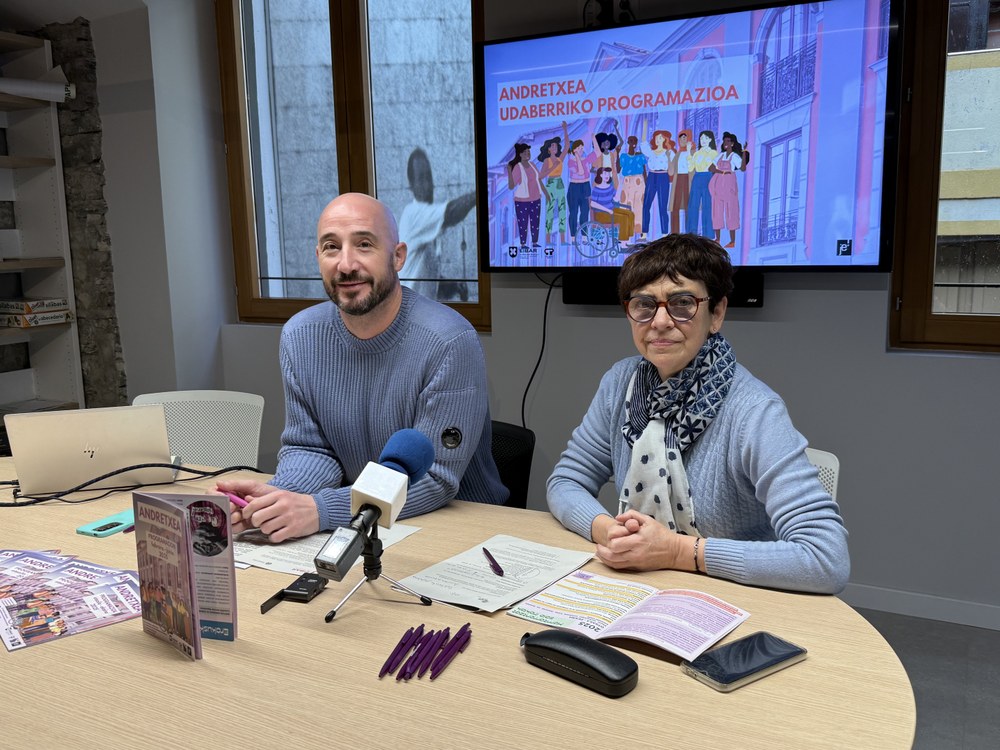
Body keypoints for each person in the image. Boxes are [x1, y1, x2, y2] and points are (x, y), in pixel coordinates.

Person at [545, 234, 849, 594]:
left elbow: (826, 558)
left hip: (734, 595)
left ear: (716, 313)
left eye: (682, 303)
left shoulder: (753, 411)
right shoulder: (620, 383)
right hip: (637, 586)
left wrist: (677, 552)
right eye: (644, 304)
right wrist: (607, 529)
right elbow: (566, 481)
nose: (660, 321)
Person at [217, 193, 509, 542]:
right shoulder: (300, 335)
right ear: (318, 257)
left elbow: (435, 479)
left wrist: (321, 510)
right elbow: (312, 448)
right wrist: (278, 501)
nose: (345, 264)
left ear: (398, 256)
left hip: (460, 528)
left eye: (364, 245)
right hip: (362, 521)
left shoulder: (449, 341)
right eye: (331, 247)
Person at [397, 148, 476, 301]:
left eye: (429, 177)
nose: (427, 185)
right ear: (411, 185)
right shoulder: (413, 214)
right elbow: (452, 212)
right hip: (408, 311)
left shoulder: (430, 225)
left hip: (420, 310)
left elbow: (430, 281)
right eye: (421, 179)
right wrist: (483, 191)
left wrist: (454, 286)